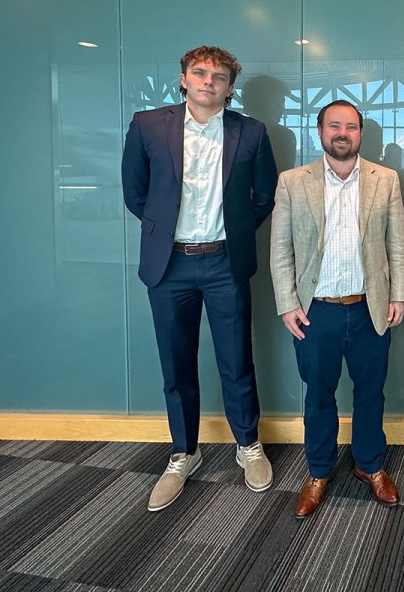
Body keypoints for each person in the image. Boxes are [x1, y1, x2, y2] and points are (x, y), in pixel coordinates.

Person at [121, 45, 279, 512]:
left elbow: (264, 196)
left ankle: (247, 445)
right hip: (168, 265)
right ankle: (183, 453)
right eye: (200, 72)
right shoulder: (148, 125)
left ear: (230, 88)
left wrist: (234, 233)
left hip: (224, 263)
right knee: (176, 364)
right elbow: (135, 193)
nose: (209, 81)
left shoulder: (251, 132)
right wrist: (166, 231)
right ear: (184, 79)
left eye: (219, 76)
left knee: (237, 359)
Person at [269, 100, 404, 518]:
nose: (342, 134)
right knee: (318, 396)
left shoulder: (385, 180)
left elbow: (398, 243)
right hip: (316, 312)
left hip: (370, 309)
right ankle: (318, 470)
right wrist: (286, 304)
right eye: (334, 126)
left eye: (350, 127)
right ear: (320, 131)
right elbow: (280, 249)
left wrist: (399, 295)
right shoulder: (292, 182)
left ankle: (370, 464)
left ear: (360, 133)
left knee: (371, 392)